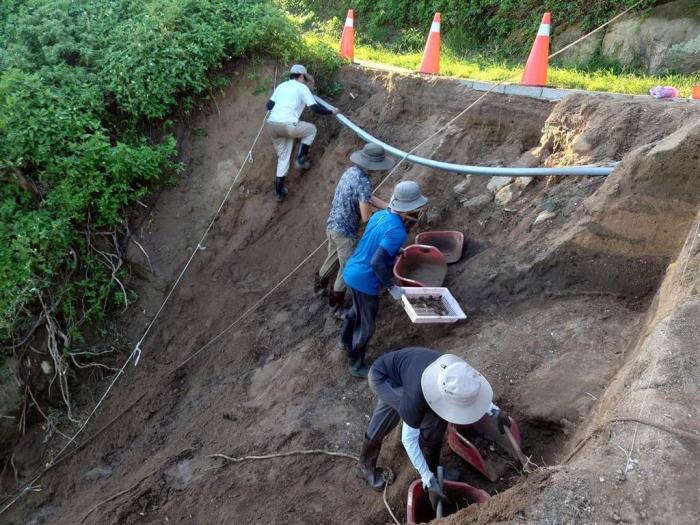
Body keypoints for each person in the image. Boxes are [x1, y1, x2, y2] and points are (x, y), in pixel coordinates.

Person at [357, 348, 511, 504]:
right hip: (383, 378)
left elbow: (468, 394)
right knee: (396, 418)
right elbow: (408, 439)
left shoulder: (459, 372)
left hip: (410, 376)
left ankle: (433, 469)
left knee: (437, 419)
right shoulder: (416, 397)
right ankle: (365, 467)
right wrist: (427, 480)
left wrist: (494, 411)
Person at [340, 181, 428, 378]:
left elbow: (374, 242)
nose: (418, 212)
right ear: (408, 210)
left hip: (352, 270)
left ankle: (344, 339)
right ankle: (356, 363)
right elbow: (377, 263)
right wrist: (392, 287)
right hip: (365, 281)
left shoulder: (380, 215)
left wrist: (395, 250)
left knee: (356, 311)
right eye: (416, 208)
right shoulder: (398, 231)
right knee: (366, 325)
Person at [315, 143, 393, 312]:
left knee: (333, 256)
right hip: (345, 232)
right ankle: (335, 307)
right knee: (346, 268)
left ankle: (320, 287)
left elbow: (367, 197)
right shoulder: (364, 182)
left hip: (333, 225)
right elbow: (366, 216)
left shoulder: (350, 172)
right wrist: (385, 216)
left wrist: (387, 206)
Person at [265, 64, 338, 201]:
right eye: (305, 77)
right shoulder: (302, 88)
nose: (305, 80)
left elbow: (269, 106)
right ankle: (300, 159)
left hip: (272, 125)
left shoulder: (281, 86)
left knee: (283, 157)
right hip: (288, 125)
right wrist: (331, 111)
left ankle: (279, 191)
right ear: (301, 76)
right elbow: (315, 108)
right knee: (311, 130)